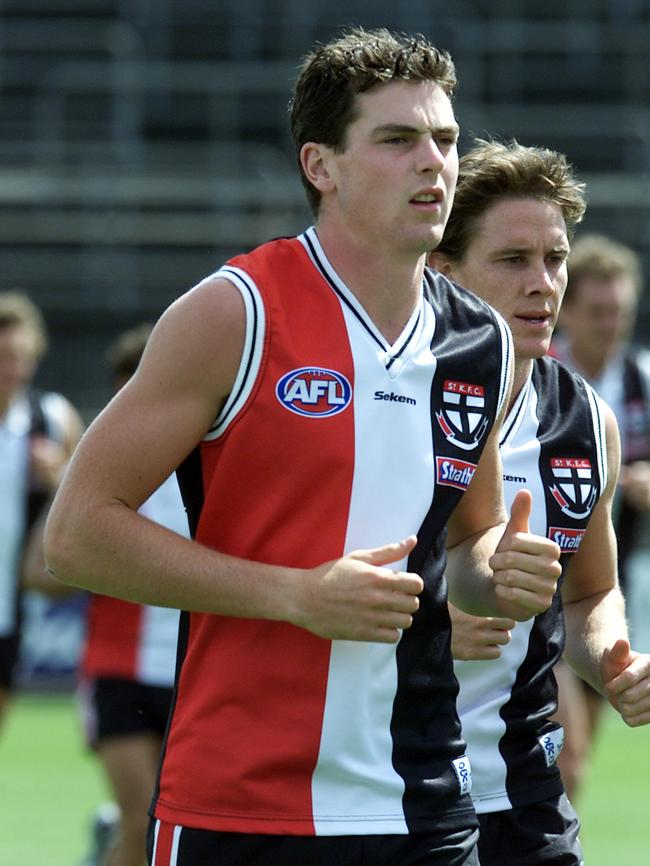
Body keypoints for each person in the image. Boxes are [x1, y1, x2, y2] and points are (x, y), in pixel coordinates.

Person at [44, 28, 563, 866]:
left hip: (425, 801)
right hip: (242, 805)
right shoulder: (235, 312)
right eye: (397, 140)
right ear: (320, 166)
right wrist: (294, 594)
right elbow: (75, 536)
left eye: (445, 138)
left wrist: (502, 573)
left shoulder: (484, 343)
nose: (433, 161)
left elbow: (467, 545)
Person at [430, 138, 650, 866]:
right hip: (393, 788)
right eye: (512, 260)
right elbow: (297, 577)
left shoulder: (587, 421)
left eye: (554, 259)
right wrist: (430, 618)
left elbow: (591, 594)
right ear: (443, 271)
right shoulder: (388, 400)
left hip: (524, 788)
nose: (542, 284)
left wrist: (614, 662)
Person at [23, 323, 188, 866]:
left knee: (178, 833)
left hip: (196, 671)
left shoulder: (218, 468)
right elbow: (40, 569)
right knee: (145, 825)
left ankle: (107, 842)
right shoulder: (98, 472)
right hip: (119, 668)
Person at [550, 234, 650, 800]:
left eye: (621, 312)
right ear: (567, 311)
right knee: (565, 757)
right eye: (596, 311)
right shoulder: (534, 376)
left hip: (602, 596)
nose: (610, 324)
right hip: (538, 597)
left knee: (569, 770)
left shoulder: (641, 381)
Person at [0, 290, 83, 728]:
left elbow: (88, 497)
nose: (10, 369)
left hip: (8, 609)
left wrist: (60, 480)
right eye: (1, 357)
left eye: (19, 356)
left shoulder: (50, 418)